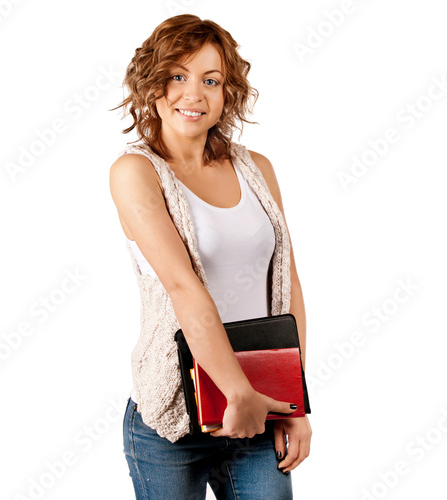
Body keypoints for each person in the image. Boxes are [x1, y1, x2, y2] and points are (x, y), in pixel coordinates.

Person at [109, 14, 312, 500]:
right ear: (152, 85)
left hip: (261, 402)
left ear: (228, 93)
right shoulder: (135, 171)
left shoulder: (256, 168)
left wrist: (295, 404)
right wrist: (235, 392)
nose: (193, 94)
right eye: (177, 76)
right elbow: (184, 288)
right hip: (172, 419)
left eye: (211, 80)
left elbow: (286, 288)